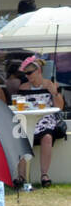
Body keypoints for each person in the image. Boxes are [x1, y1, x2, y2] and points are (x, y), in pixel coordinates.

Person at [10, 57, 65, 189]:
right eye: (26, 74)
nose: (28, 77)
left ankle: (44, 175)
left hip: (45, 118)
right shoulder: (24, 87)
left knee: (47, 137)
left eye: (30, 73)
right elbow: (20, 106)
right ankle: (21, 176)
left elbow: (60, 107)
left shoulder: (50, 85)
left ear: (39, 71)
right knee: (20, 136)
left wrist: (55, 93)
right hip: (28, 118)